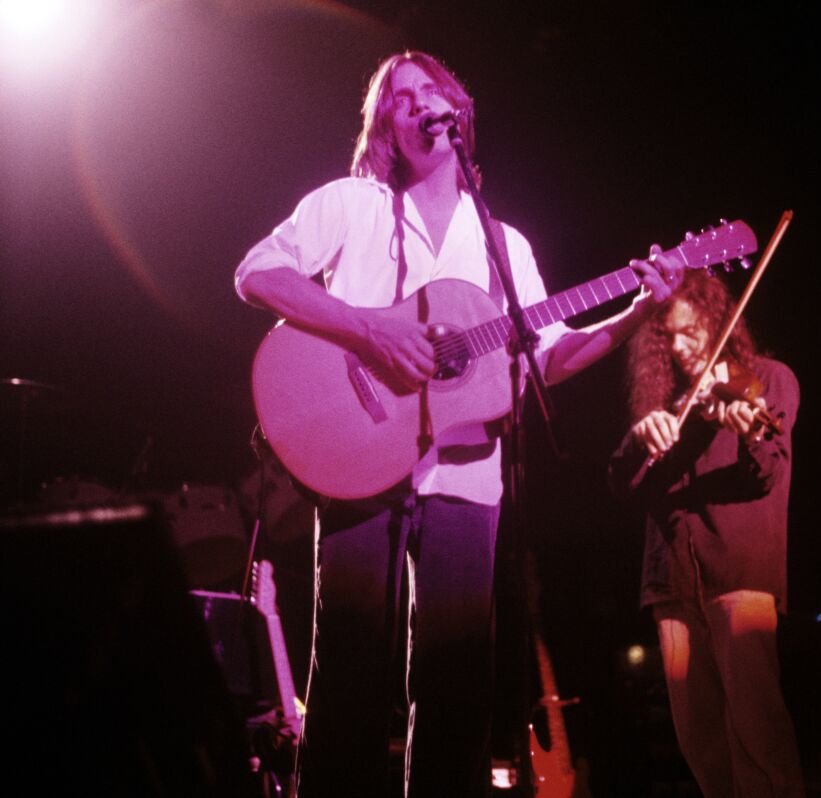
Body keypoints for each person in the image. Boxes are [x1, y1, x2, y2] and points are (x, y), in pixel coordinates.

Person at [234, 51, 679, 798]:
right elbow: (256, 274)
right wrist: (371, 332)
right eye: (399, 98)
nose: (417, 105)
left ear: (457, 111)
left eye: (429, 92)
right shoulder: (352, 205)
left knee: (456, 687)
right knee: (347, 672)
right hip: (356, 457)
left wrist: (634, 313)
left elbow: (547, 355)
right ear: (385, 125)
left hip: (468, 479)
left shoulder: (504, 245)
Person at [608, 271, 805, 797]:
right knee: (699, 739)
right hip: (672, 581)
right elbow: (621, 486)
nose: (679, 347)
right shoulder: (668, 401)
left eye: (690, 332)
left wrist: (748, 432)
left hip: (739, 572)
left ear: (717, 325)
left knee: (758, 731)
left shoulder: (767, 378)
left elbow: (768, 474)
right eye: (668, 336)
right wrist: (637, 439)